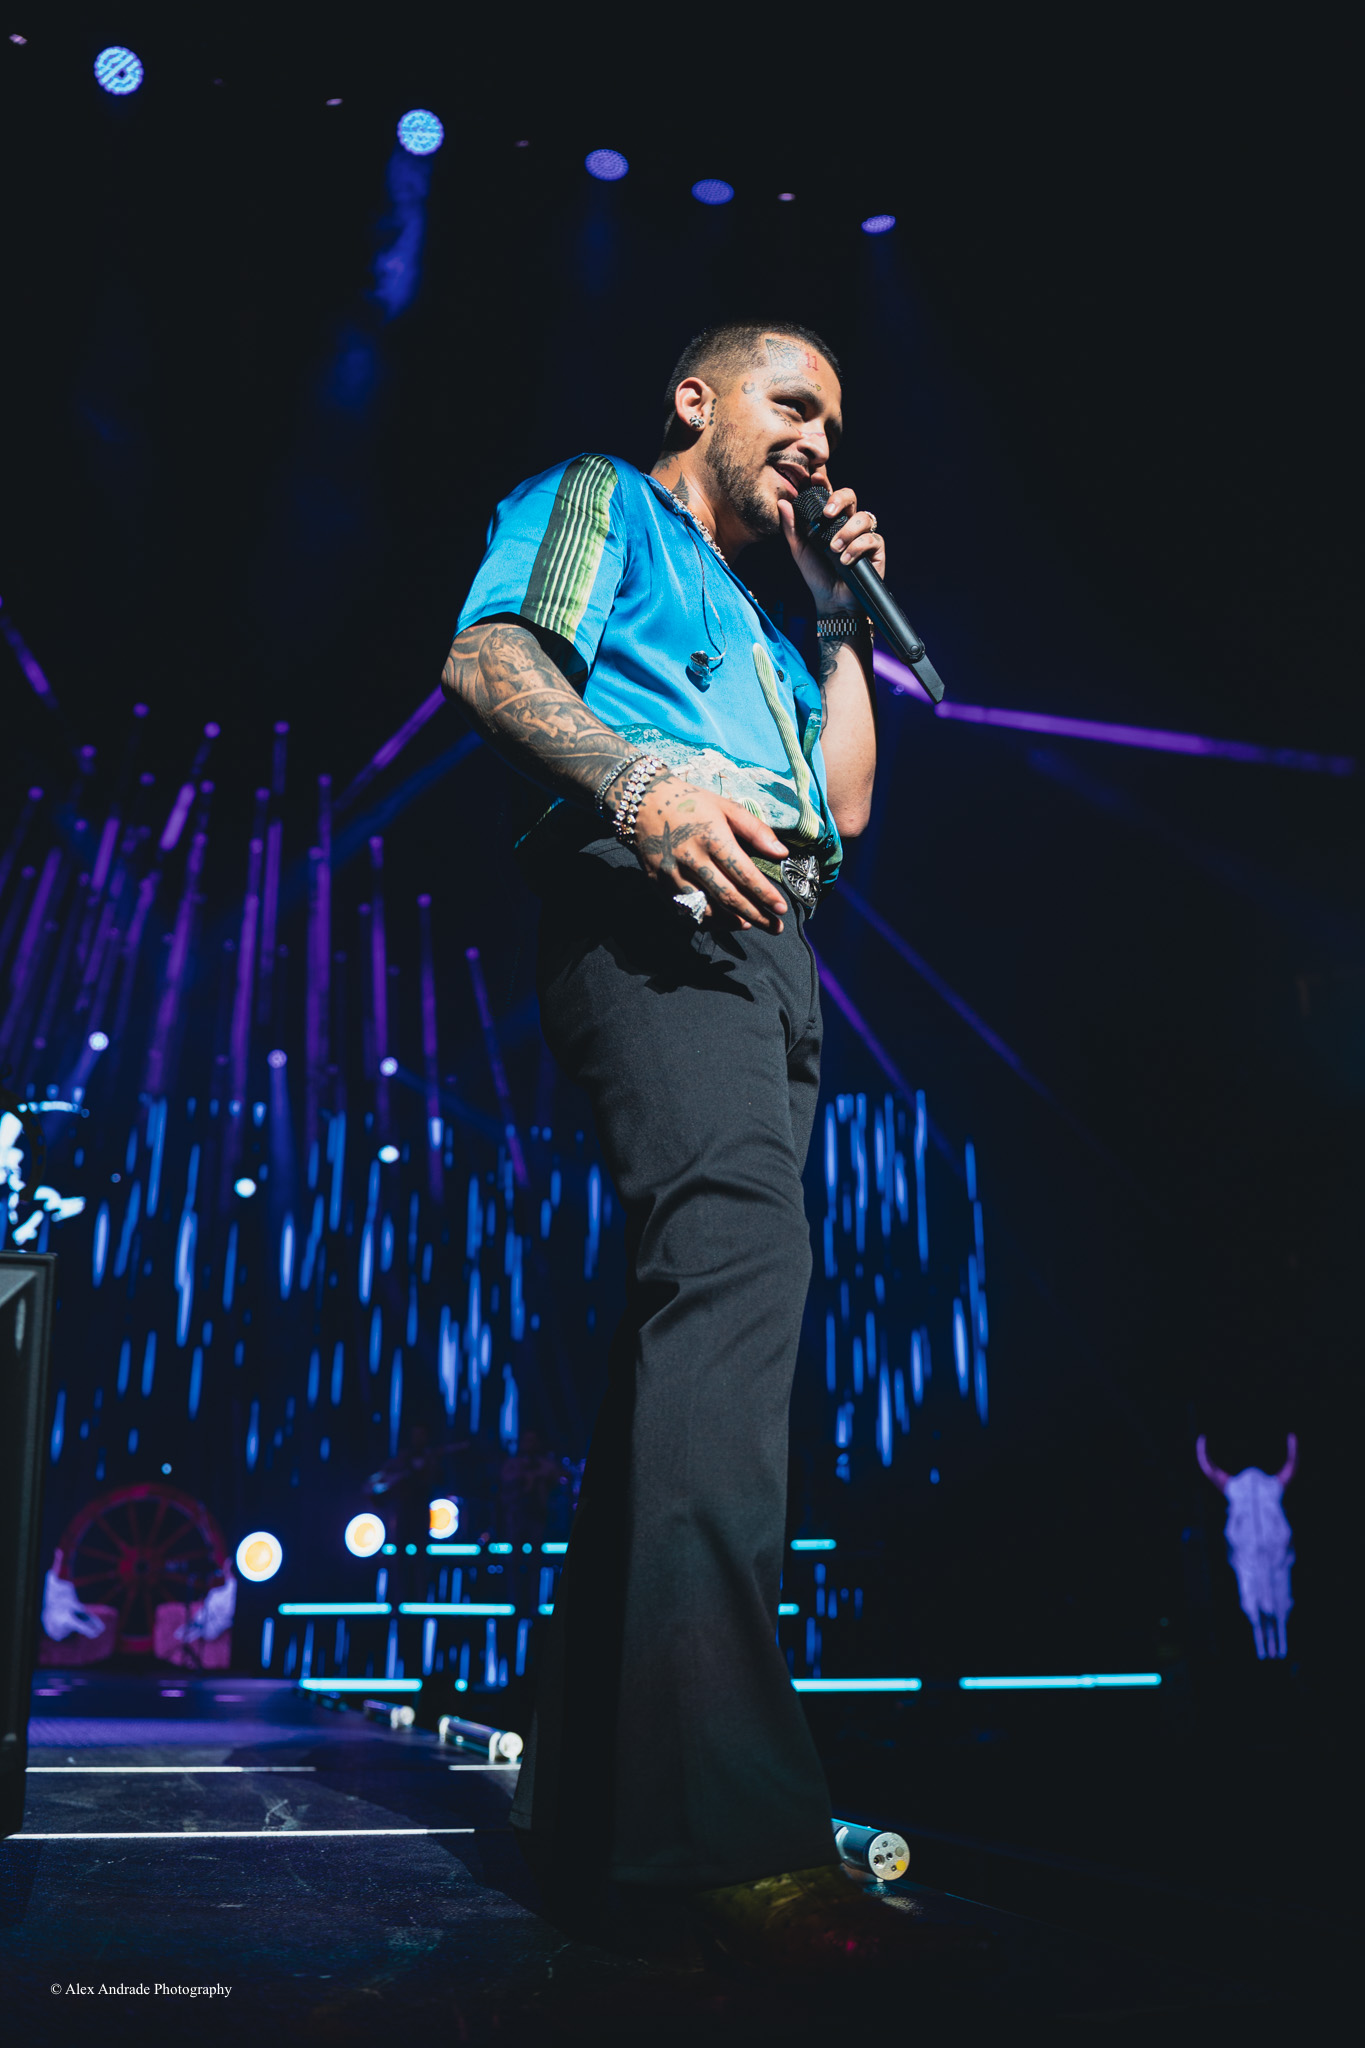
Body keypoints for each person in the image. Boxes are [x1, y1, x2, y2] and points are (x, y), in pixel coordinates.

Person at [441, 324, 922, 1970]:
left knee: (694, 1336)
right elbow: (490, 661)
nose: (817, 440)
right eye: (793, 405)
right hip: (652, 907)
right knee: (734, 1277)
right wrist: (638, 782)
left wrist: (837, 617)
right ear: (696, 402)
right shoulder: (603, 502)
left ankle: (598, 1813)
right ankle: (725, 1845)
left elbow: (845, 812)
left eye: (834, 424)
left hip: (773, 947)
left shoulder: (768, 620)